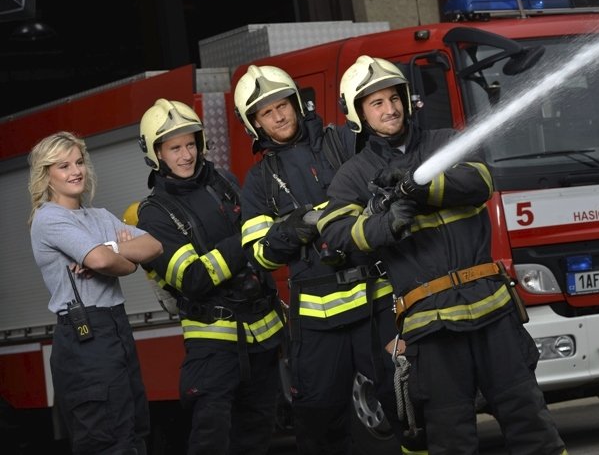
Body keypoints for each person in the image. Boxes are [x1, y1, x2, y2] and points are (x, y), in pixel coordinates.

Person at [317, 55, 568, 455]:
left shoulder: (445, 143)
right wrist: (387, 223)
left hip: (491, 311)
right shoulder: (352, 175)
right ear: (358, 113)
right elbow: (335, 233)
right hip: (431, 326)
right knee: (451, 436)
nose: (390, 108)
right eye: (376, 103)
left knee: (529, 421)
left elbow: (480, 179)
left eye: (394, 97)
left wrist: (421, 188)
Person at [233, 65, 419, 455]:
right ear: (255, 124)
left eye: (282, 105)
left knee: (409, 403)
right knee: (318, 422)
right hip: (317, 322)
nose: (279, 116)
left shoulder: (344, 141)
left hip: (376, 299)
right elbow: (260, 255)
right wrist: (293, 229)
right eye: (266, 113)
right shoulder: (259, 181)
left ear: (297, 103)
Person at [135, 98, 284, 455]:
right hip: (213, 348)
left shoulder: (224, 182)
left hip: (262, 339)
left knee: (258, 438)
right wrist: (245, 240)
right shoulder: (154, 215)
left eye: (191, 144)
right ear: (157, 154)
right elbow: (194, 278)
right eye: (174, 148)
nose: (186, 155)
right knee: (211, 442)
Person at [28, 131, 163, 455]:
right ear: (47, 174)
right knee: (105, 439)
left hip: (116, 328)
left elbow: (154, 245)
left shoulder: (98, 217)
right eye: (63, 166)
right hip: (84, 336)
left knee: (133, 430)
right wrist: (121, 259)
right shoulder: (49, 219)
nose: (75, 171)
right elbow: (102, 260)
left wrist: (114, 248)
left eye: (78, 162)